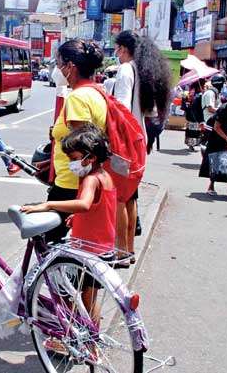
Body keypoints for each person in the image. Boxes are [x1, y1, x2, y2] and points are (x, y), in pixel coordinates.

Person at [21, 124, 116, 324]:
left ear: (90, 157)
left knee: (69, 292)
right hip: (102, 248)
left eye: (74, 159)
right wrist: (78, 218)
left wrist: (48, 204)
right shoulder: (105, 176)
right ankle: (91, 342)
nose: (72, 164)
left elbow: (84, 203)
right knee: (90, 299)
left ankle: (81, 338)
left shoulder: (91, 179)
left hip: (89, 251)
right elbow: (99, 208)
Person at [112, 30, 171, 266]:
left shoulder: (126, 70)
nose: (116, 53)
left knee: (118, 198)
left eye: (117, 49)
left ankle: (120, 253)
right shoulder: (144, 71)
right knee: (131, 198)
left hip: (125, 143)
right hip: (139, 141)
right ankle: (129, 250)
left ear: (124, 49)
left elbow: (122, 111)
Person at [45, 39, 107, 244]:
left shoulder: (77, 98)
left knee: (52, 247)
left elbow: (82, 149)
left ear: (70, 67)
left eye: (59, 63)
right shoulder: (96, 92)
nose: (57, 69)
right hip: (78, 184)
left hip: (70, 186)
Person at [199, 89, 227, 198]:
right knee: (215, 162)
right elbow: (216, 127)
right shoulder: (222, 109)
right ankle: (211, 186)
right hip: (217, 137)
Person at [183, 80, 204, 151]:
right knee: (194, 131)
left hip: (189, 114)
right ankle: (192, 145)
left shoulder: (190, 92)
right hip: (195, 115)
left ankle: (190, 144)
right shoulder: (198, 95)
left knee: (190, 130)